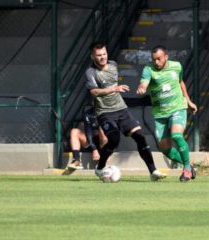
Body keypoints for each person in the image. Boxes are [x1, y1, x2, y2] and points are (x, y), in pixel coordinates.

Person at [85, 41, 166, 181]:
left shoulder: (113, 65)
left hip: (121, 109)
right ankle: (100, 168)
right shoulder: (91, 72)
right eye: (98, 55)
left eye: (104, 54)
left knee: (140, 136)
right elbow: (94, 92)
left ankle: (153, 171)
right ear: (93, 56)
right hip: (104, 112)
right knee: (114, 139)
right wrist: (113, 89)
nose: (102, 57)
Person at [136, 45, 198, 181]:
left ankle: (186, 169)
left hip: (177, 108)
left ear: (166, 57)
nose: (156, 62)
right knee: (165, 149)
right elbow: (143, 83)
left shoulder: (177, 66)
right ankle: (188, 163)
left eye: (159, 59)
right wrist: (142, 88)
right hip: (160, 114)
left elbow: (181, 82)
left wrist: (188, 101)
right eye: (154, 60)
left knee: (176, 135)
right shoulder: (148, 69)